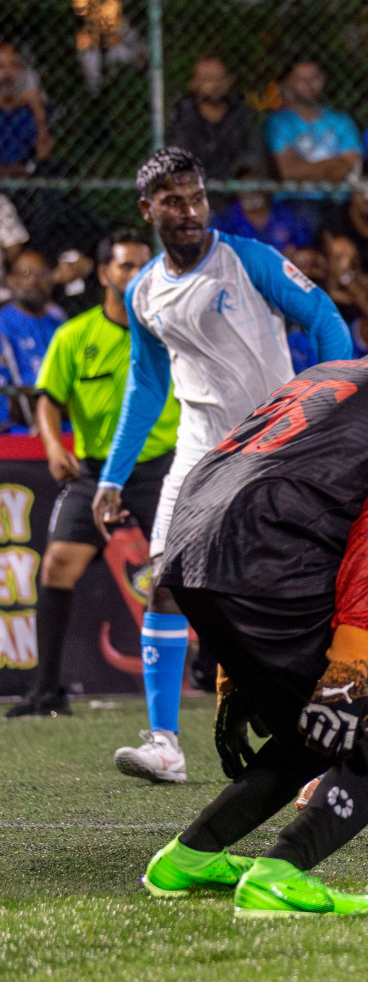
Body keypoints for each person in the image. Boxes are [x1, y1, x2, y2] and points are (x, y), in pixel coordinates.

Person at [138, 279, 368, 918]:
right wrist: (350, 655)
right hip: (270, 565)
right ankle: (280, 874)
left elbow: (223, 466)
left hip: (190, 554)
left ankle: (189, 856)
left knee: (319, 725)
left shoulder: (323, 375)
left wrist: (230, 666)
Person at [90, 147, 351, 784]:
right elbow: (146, 387)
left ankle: (327, 738)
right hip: (198, 452)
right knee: (164, 582)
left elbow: (324, 319)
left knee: (300, 597)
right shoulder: (144, 290)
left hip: (275, 448)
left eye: (198, 197)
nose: (189, 211)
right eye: (174, 201)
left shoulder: (248, 260)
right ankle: (164, 746)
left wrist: (329, 407)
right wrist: (111, 476)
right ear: (147, 208)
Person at [6, 230, 178, 719]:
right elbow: (47, 400)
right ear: (104, 274)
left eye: (145, 265)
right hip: (95, 470)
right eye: (125, 266)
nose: (136, 274)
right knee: (56, 565)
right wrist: (52, 445)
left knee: (185, 571)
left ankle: (212, 673)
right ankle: (46, 691)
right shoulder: (74, 335)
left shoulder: (169, 332)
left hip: (159, 467)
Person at [263, 60, 363, 228]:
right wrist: (335, 163)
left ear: (323, 80)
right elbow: (288, 171)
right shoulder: (278, 123)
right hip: (295, 200)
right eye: (302, 79)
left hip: (338, 201)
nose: (309, 85)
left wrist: (304, 167)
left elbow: (352, 167)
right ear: (288, 84)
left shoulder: (342, 121)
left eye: (314, 78)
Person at [165, 56, 262, 183]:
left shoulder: (243, 115)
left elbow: (251, 156)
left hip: (236, 191)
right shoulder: (181, 118)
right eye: (207, 79)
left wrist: (242, 174)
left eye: (219, 79)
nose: (215, 85)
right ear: (193, 83)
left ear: (229, 81)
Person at [210, 161, 312, 253]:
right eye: (243, 184)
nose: (250, 190)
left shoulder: (289, 215)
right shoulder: (223, 222)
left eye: (255, 182)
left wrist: (295, 255)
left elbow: (305, 250)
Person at [0, 250, 65, 388]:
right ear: (12, 280)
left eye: (41, 274)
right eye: (25, 274)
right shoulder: (3, 325)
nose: (34, 281)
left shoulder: (58, 321)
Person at [0, 42, 52, 176]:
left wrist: (43, 137)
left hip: (22, 119)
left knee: (25, 116)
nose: (7, 71)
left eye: (12, 64)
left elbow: (35, 105)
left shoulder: (27, 76)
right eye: (1, 66)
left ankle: (22, 166)